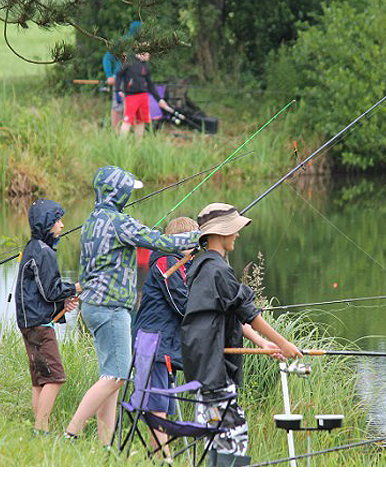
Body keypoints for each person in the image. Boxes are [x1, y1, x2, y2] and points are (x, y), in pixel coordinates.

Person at [65, 165, 198, 445]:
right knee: (116, 376)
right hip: (111, 307)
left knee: (110, 378)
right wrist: (197, 237)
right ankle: (71, 432)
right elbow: (161, 241)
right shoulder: (119, 222)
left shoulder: (92, 220)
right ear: (119, 192)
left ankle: (105, 446)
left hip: (92, 306)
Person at [182, 203, 302, 467]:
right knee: (233, 434)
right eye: (234, 229)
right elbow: (249, 312)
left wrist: (263, 343)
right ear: (221, 233)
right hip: (213, 369)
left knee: (215, 435)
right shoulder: (217, 271)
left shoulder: (201, 267)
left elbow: (231, 314)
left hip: (203, 365)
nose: (237, 234)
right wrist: (285, 343)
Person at [132, 216, 198, 460]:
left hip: (166, 344)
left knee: (163, 404)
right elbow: (182, 304)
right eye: (194, 240)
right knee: (157, 403)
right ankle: (165, 457)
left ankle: (156, 455)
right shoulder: (164, 262)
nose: (197, 247)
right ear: (182, 241)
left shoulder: (180, 265)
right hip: (153, 341)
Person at [15, 199, 78, 434]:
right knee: (55, 377)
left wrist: (63, 303)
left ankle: (40, 429)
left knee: (40, 379)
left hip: (29, 323)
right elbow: (51, 289)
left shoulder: (32, 247)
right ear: (46, 223)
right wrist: (75, 288)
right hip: (39, 326)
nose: (62, 225)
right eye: (57, 221)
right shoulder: (44, 253)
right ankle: (40, 429)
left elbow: (39, 291)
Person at [116, 51, 171, 139]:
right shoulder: (129, 62)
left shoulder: (145, 66)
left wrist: (159, 99)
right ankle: (120, 144)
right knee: (127, 120)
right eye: (147, 53)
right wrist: (118, 89)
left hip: (143, 96)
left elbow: (150, 84)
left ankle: (139, 144)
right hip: (131, 96)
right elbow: (119, 75)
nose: (149, 55)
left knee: (141, 121)